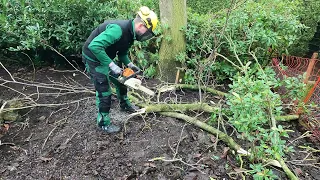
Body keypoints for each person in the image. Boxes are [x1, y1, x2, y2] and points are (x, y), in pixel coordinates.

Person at [82, 6, 158, 133]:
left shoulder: (131, 34)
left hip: (106, 56)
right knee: (104, 91)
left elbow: (122, 54)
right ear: (141, 26)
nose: (146, 35)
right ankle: (103, 122)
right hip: (93, 58)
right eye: (147, 32)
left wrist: (130, 65)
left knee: (124, 79)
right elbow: (94, 46)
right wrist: (112, 66)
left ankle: (125, 104)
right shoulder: (118, 30)